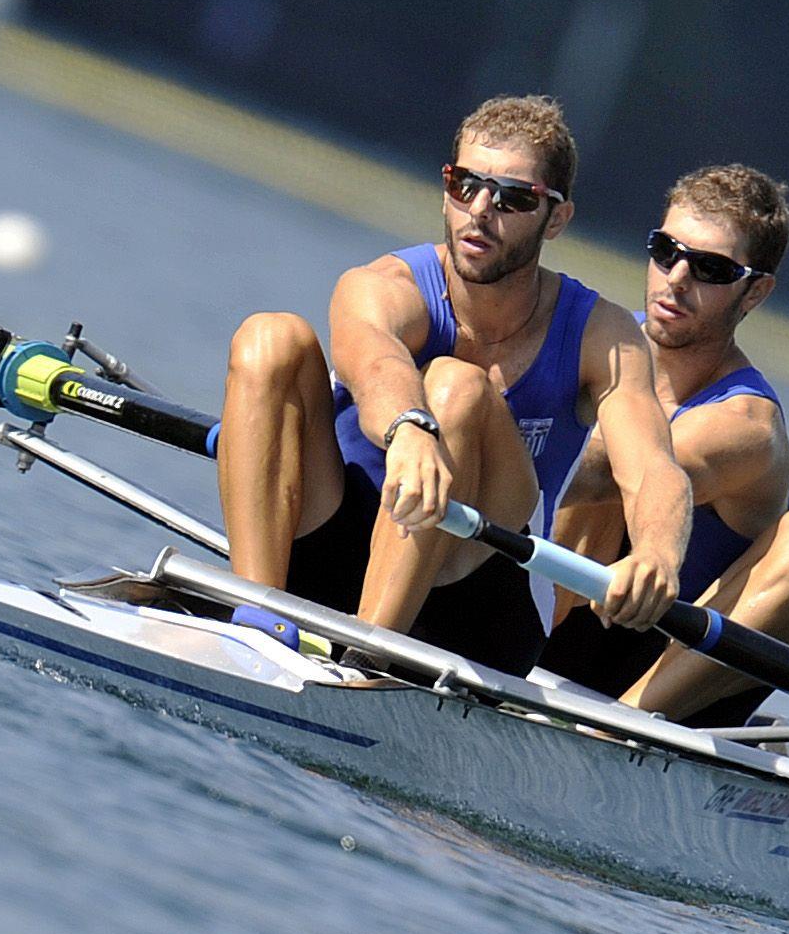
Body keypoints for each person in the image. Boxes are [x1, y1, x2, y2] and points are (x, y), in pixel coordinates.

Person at [213, 95, 690, 676]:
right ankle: (258, 618)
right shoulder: (383, 285)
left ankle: (366, 659)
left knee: (457, 388)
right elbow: (375, 361)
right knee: (270, 339)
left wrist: (659, 555)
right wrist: (409, 429)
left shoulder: (602, 335)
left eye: (514, 198)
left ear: (556, 219)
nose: (481, 211)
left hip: (479, 599)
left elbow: (653, 470)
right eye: (466, 185)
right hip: (340, 545)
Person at [540, 165, 789, 725]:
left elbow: (605, 469)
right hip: (551, 629)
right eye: (666, 250)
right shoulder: (595, 334)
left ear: (755, 291)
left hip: (664, 671)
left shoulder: (746, 425)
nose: (677, 277)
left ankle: (622, 726)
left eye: (711, 268)